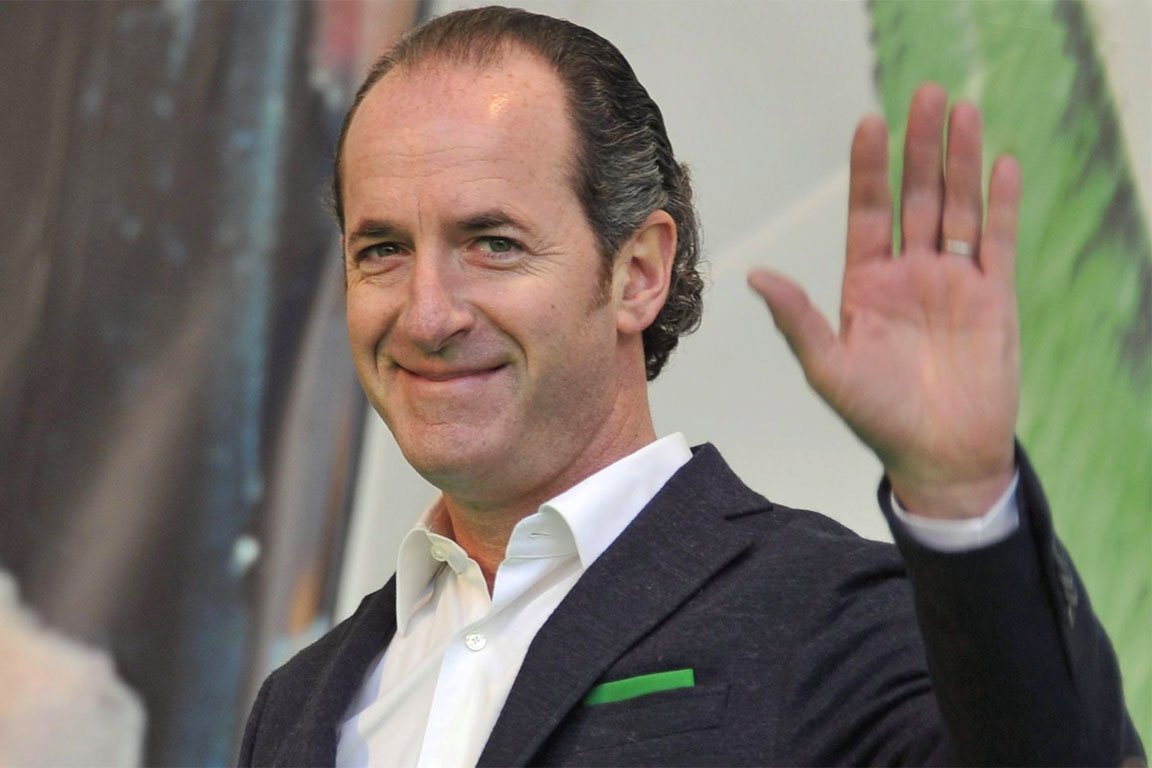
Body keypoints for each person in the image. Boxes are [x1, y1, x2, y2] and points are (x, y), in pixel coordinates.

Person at [239, 6, 1143, 766]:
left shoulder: (827, 620)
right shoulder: (299, 705)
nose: (428, 313)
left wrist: (965, 501)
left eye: (494, 244)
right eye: (383, 251)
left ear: (638, 272)